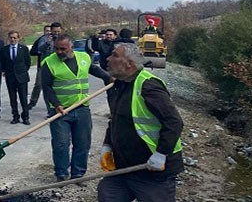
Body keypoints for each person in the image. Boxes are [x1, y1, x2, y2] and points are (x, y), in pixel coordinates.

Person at [98, 43, 183, 202]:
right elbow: (116, 119)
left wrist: (161, 154)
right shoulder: (120, 84)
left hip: (152, 171)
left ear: (129, 63)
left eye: (115, 55)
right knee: (107, 193)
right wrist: (107, 144)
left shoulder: (148, 86)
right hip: (124, 168)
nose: (108, 59)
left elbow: (174, 121)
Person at [42, 34, 110, 181]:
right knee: (61, 144)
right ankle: (61, 174)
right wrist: (56, 104)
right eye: (56, 49)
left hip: (82, 107)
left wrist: (109, 77)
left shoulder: (83, 57)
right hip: (60, 111)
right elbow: (46, 87)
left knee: (83, 143)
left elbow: (94, 69)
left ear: (71, 47)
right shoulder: (49, 63)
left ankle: (78, 174)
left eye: (62, 49)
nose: (59, 52)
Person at [0, 31, 32, 125]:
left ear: (18, 38)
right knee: (12, 98)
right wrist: (5, 71)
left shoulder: (24, 49)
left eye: (14, 38)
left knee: (23, 98)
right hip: (10, 77)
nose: (13, 39)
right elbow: (2, 62)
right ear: (8, 38)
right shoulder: (4, 50)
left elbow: (27, 62)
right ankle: (15, 116)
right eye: (11, 38)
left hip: (22, 77)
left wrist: (22, 71)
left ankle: (25, 117)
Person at [30, 23, 62, 109]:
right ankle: (49, 109)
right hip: (45, 67)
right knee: (43, 86)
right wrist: (47, 43)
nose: (57, 33)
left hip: (59, 66)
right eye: (55, 31)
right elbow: (39, 49)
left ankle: (59, 106)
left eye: (58, 31)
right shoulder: (44, 38)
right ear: (51, 31)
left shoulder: (63, 39)